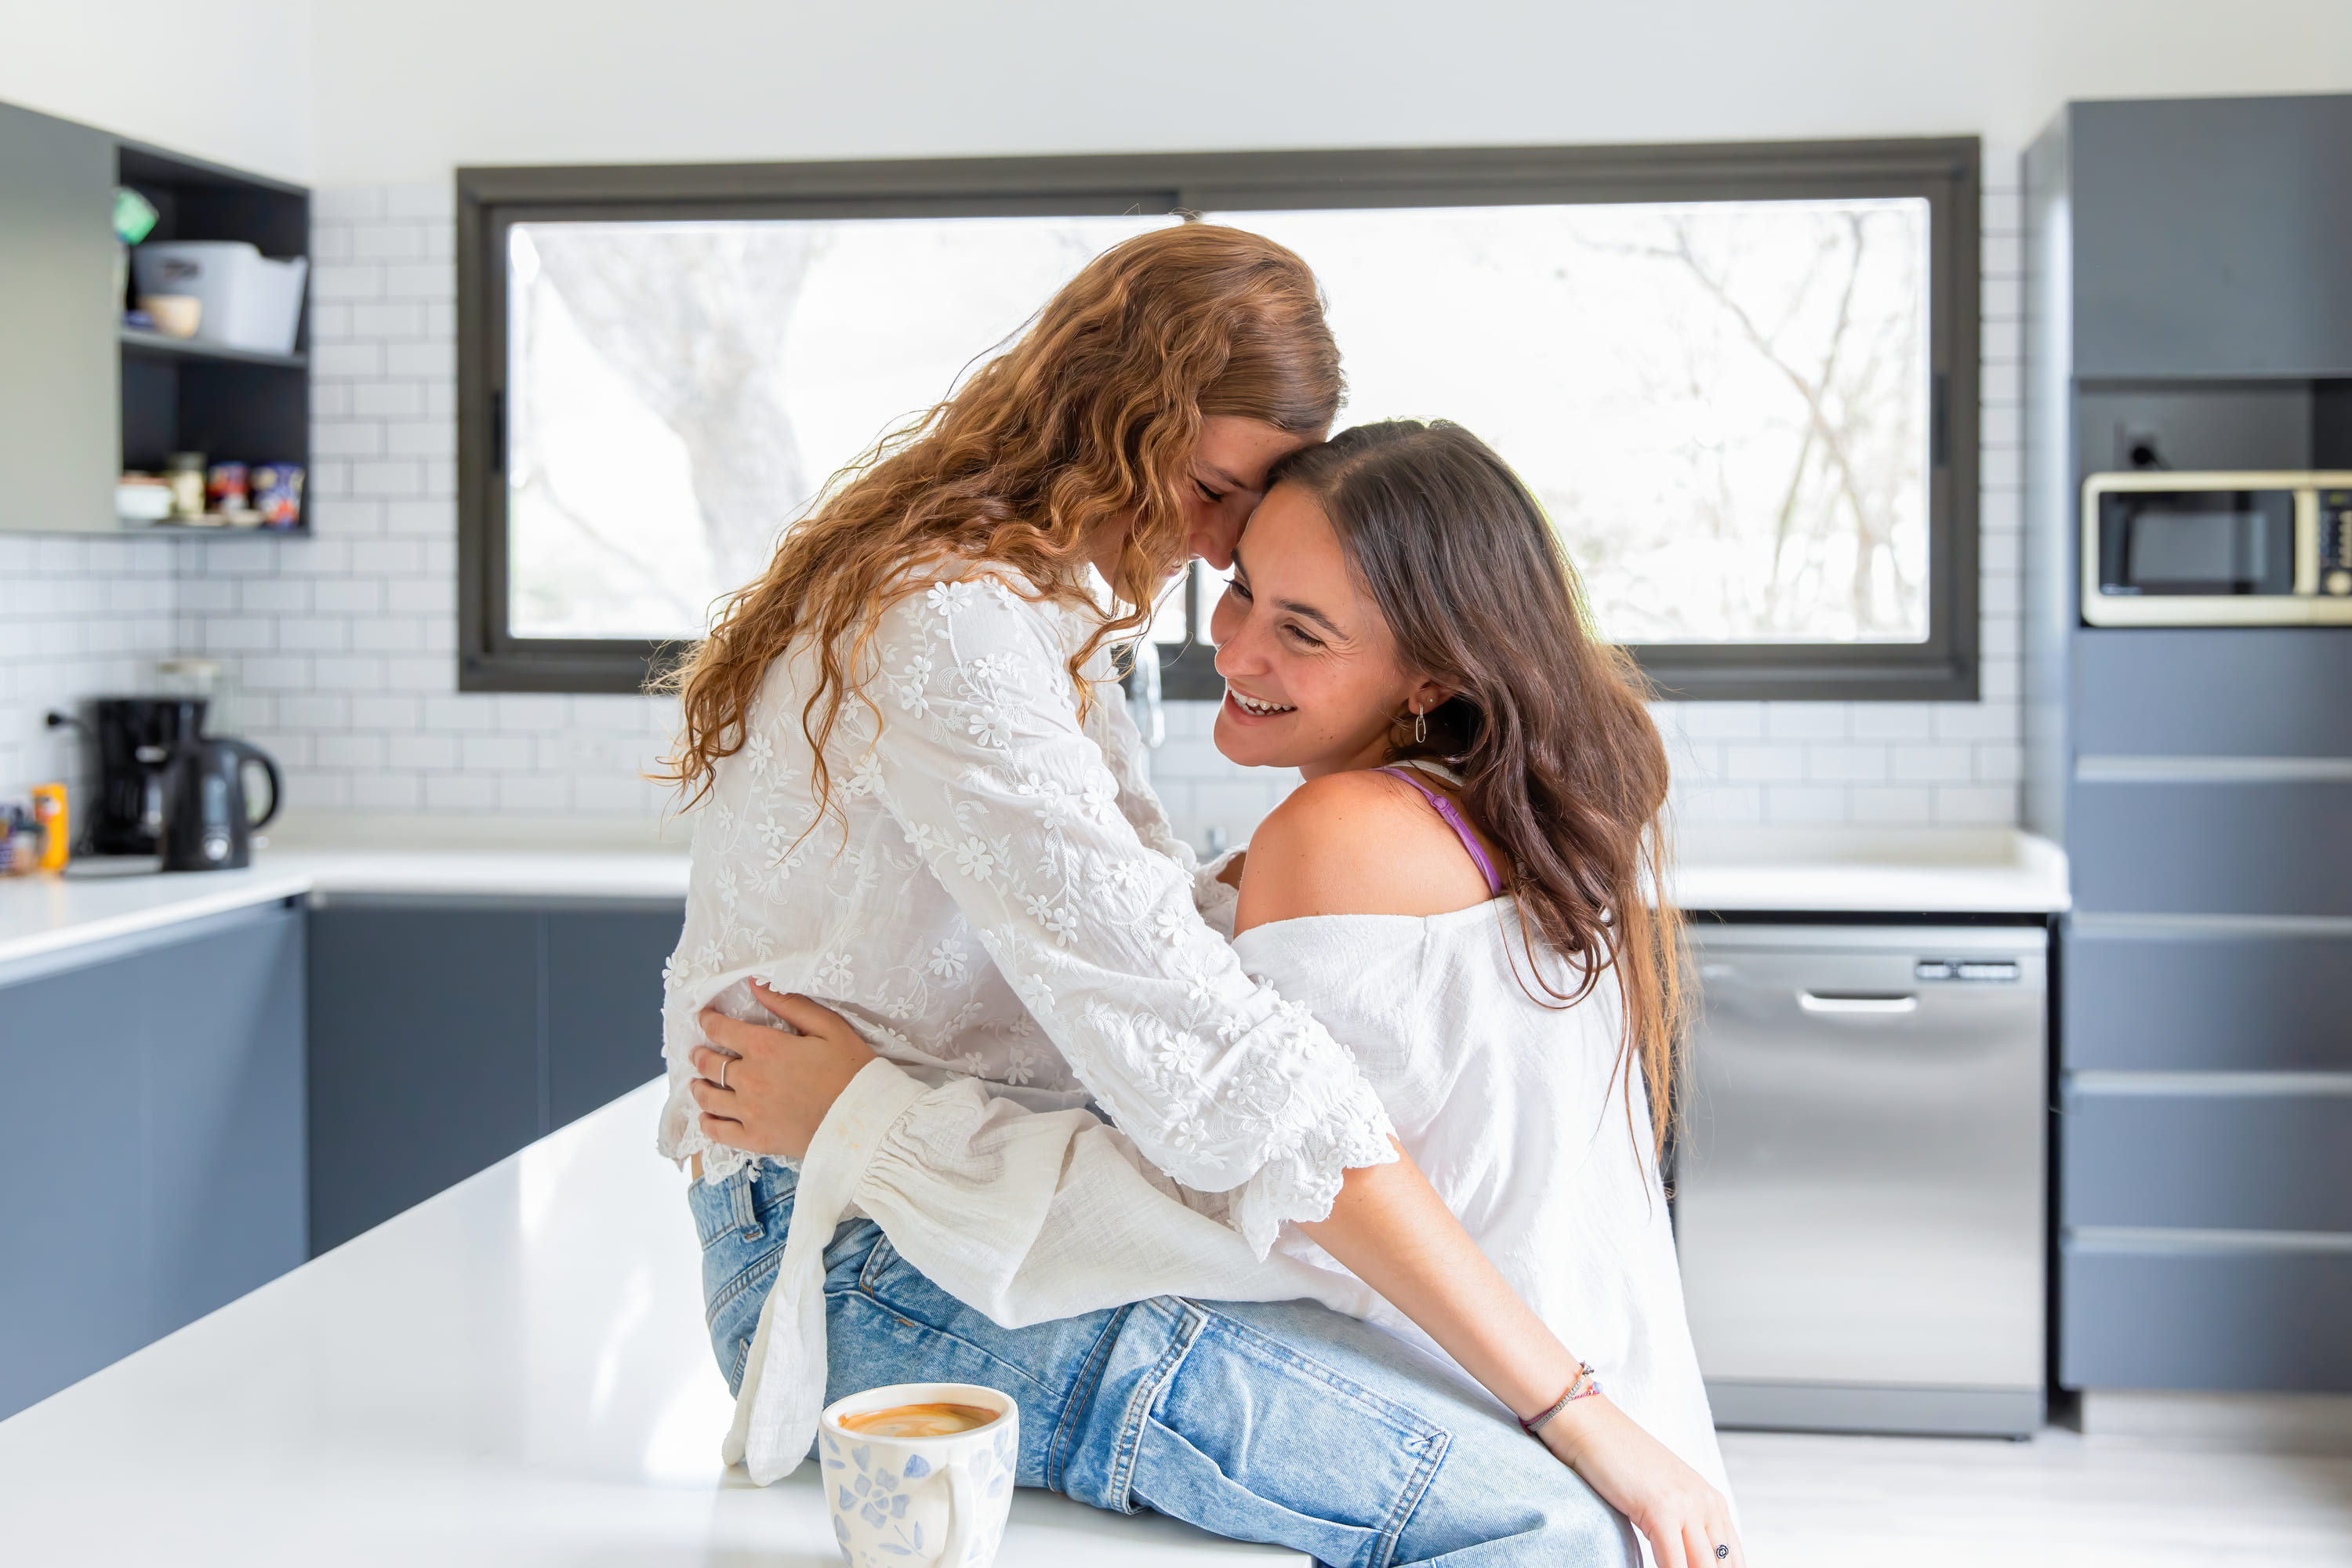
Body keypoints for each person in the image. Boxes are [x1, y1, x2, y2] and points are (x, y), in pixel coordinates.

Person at [661, 226, 1740, 1566]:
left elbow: (1131, 930)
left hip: (936, 1197)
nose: (1219, 546)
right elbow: (1215, 1058)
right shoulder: (953, 623)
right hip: (858, 1247)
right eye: (1214, 489)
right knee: (1547, 1523)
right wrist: (1575, 1405)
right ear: (1106, 418)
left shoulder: (1036, 612)